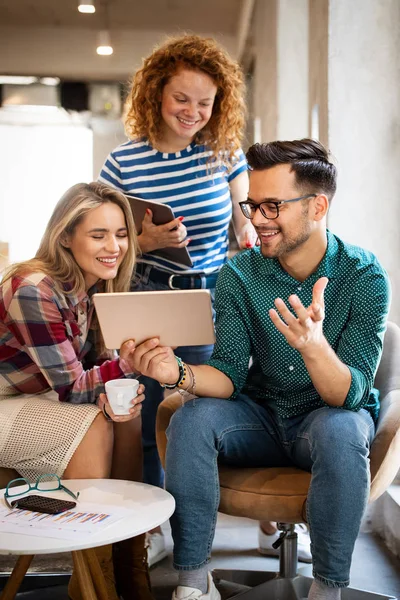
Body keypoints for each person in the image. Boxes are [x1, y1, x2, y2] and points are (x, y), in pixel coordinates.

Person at [127, 139, 391, 600]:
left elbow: (347, 396)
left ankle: (327, 590)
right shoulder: (239, 274)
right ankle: (192, 584)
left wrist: (314, 348)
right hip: (262, 419)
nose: (257, 220)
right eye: (252, 205)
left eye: (273, 206)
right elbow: (228, 373)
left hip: (326, 421)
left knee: (343, 428)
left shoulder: (364, 275)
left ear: (318, 205)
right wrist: (176, 373)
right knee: (191, 418)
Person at [99, 33, 257, 565]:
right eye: (181, 99)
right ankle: (148, 531)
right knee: (146, 424)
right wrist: (144, 242)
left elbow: (243, 213)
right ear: (155, 96)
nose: (192, 112)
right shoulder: (123, 163)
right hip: (144, 297)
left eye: (204, 102)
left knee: (202, 417)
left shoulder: (222, 154)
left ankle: (195, 535)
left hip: (210, 297)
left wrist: (248, 225)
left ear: (219, 105)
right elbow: (103, 239)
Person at [0, 182, 152, 600]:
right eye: (98, 235)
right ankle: (94, 582)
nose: (114, 246)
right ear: (65, 236)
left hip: (32, 400)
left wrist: (116, 387)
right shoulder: (34, 289)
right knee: (96, 426)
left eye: (121, 234)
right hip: (4, 406)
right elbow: (72, 387)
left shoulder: (88, 289)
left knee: (125, 414)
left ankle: (128, 571)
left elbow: (86, 376)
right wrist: (128, 364)